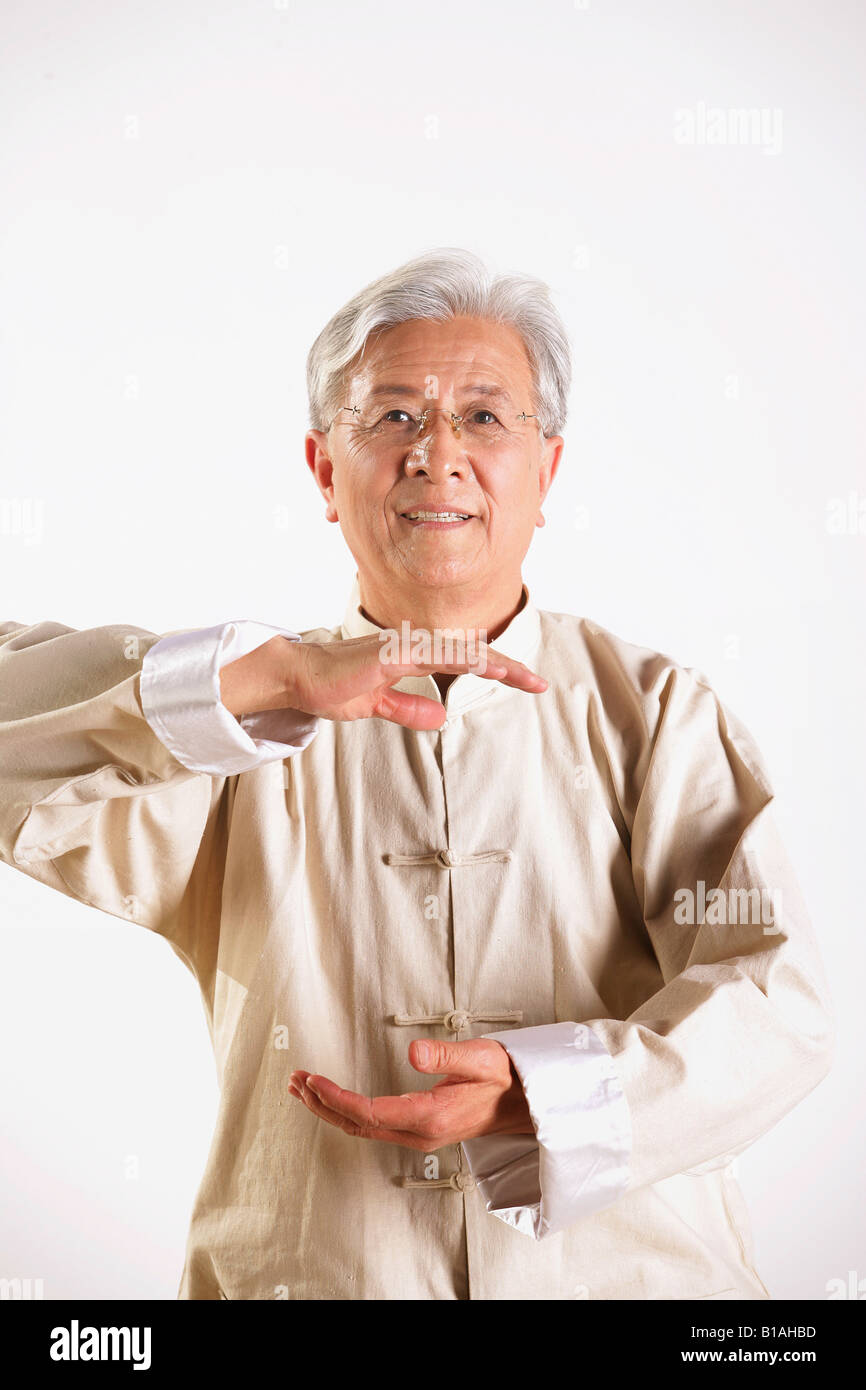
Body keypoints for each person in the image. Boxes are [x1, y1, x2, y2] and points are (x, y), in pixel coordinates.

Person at [0, 248, 834, 1301]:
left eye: (484, 417)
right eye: (391, 417)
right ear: (321, 469)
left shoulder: (654, 712)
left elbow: (777, 1005)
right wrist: (269, 676)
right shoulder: (230, 721)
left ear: (547, 471)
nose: (436, 454)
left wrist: (547, 1095)